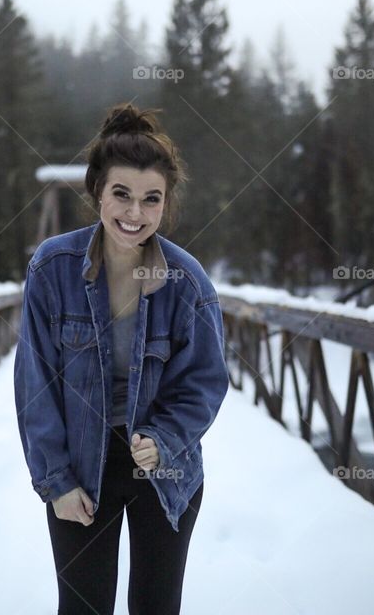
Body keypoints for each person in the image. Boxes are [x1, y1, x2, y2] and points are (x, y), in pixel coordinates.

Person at [14, 102, 229, 614]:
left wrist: (165, 437)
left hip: (162, 467)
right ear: (97, 193)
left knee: (155, 606)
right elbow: (35, 382)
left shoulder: (188, 282)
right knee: (83, 608)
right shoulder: (52, 267)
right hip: (80, 465)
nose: (135, 214)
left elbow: (205, 381)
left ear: (165, 203)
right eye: (122, 195)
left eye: (151, 199)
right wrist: (56, 481)